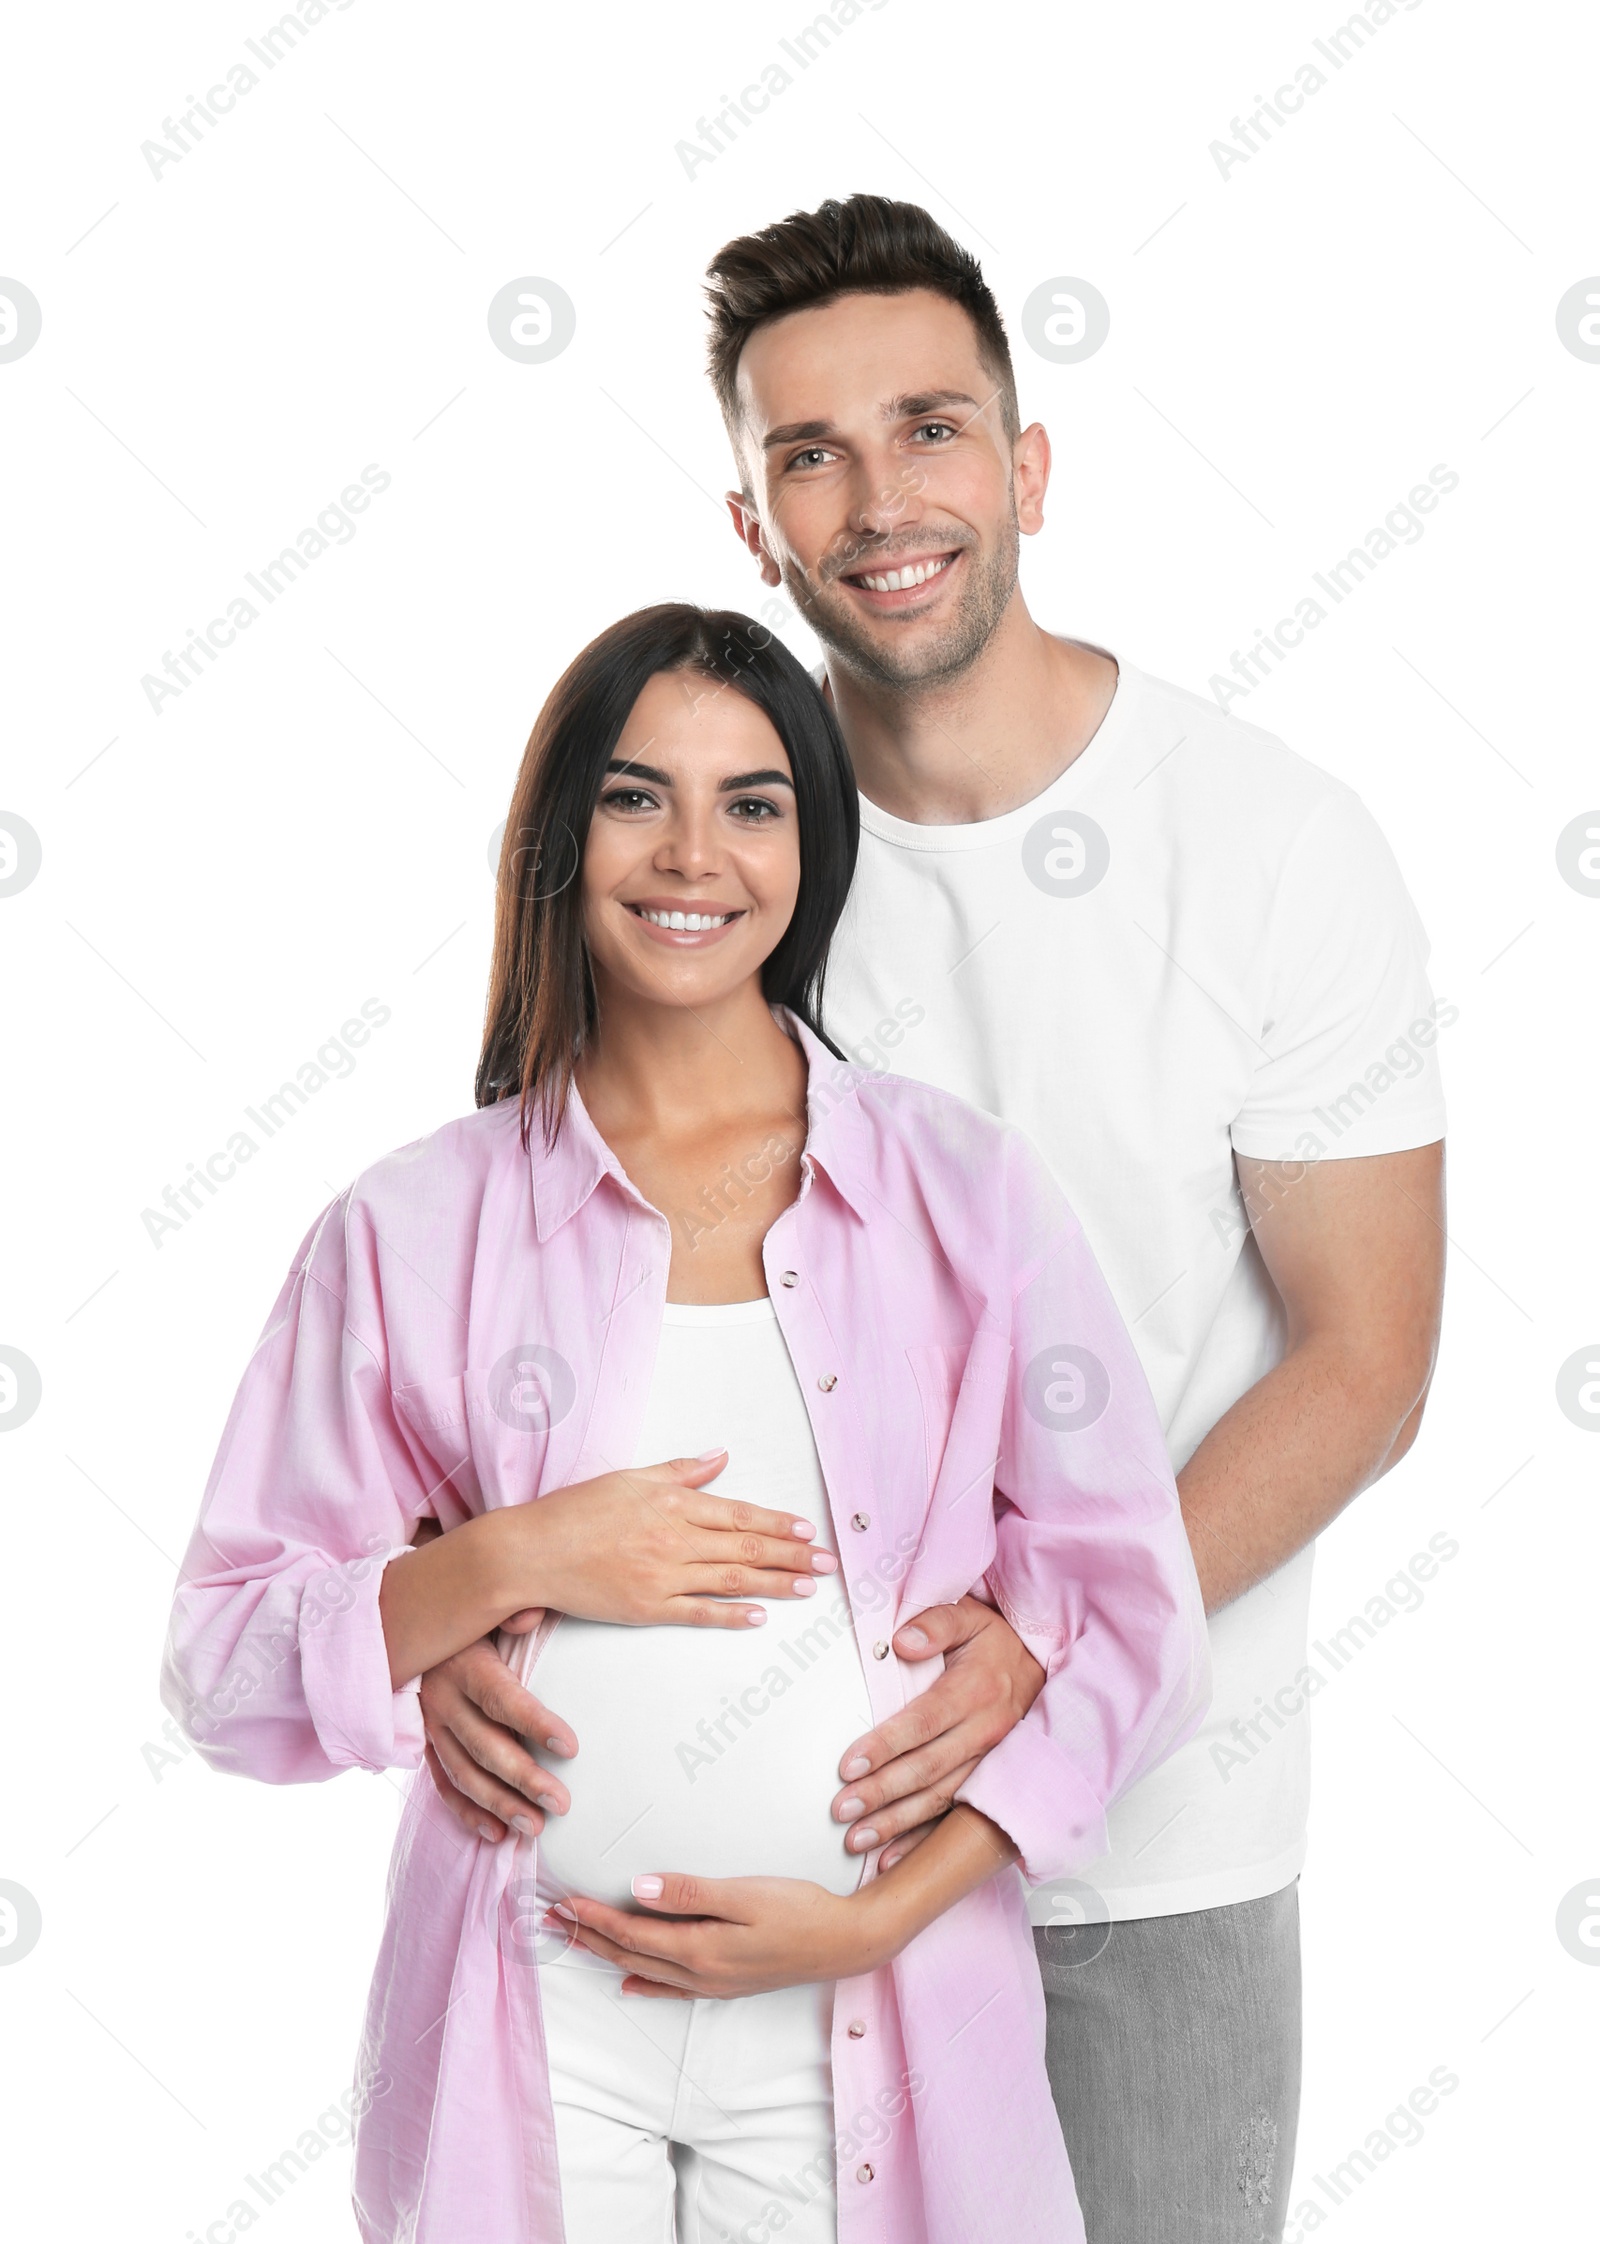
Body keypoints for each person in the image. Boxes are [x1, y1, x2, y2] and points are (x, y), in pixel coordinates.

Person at [415, 198, 1449, 2241]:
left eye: (928, 430)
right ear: (749, 522)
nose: (879, 501)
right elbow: (520, 1286)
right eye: (807, 454)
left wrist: (1050, 1640)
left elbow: (1362, 1359)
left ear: (1024, 465)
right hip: (723, 1879)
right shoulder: (714, 859)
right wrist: (449, 1601)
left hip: (1139, 1859)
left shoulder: (1264, 847)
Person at [160, 602, 1209, 2244]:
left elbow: (1134, 1611)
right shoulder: (409, 1225)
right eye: (639, 796)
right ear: (564, 835)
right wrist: (500, 1565)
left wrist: (879, 1921)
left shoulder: (969, 1195)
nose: (692, 854)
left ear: (815, 842)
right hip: (530, 2015)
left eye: (754, 800)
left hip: (873, 2010)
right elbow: (220, 1658)